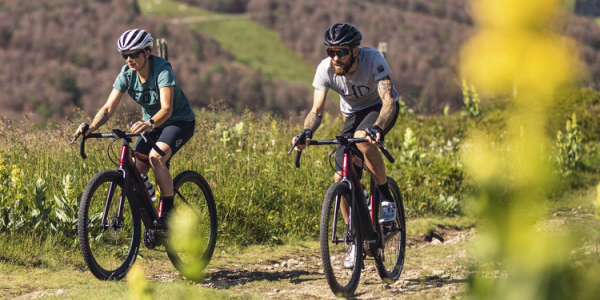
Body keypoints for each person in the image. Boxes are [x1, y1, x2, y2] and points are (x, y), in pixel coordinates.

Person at [292, 23, 400, 268]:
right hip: (352, 115)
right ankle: (354, 240)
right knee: (340, 175)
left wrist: (379, 128)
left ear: (355, 51)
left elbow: (388, 100)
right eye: (331, 52)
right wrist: (306, 132)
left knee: (364, 140)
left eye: (341, 52)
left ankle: (384, 199)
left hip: (379, 109)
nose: (335, 58)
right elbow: (316, 111)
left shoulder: (373, 58)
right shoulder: (325, 69)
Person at [73, 29, 196, 228]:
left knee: (156, 158)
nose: (129, 59)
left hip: (178, 122)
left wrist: (148, 123)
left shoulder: (163, 70)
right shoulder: (126, 75)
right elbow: (107, 108)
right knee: (135, 171)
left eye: (134, 54)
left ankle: (168, 215)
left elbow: (167, 108)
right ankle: (150, 220)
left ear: (147, 52)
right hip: (152, 125)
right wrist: (91, 126)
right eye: (125, 55)